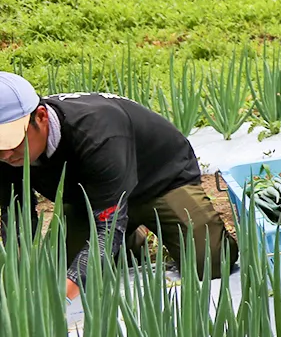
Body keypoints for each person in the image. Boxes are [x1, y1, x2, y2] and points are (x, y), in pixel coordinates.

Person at [0, 72, 235, 296]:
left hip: (159, 183)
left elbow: (108, 228)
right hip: (92, 197)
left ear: (40, 117)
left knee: (210, 262)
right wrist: (21, 269)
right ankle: (132, 240)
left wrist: (64, 295)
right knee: (64, 269)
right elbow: (15, 210)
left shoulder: (97, 132)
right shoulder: (5, 153)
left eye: (14, 141)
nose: (7, 154)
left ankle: (133, 226)